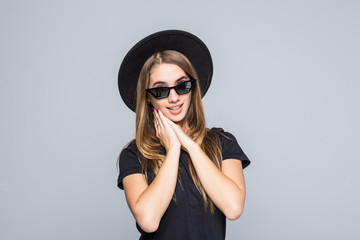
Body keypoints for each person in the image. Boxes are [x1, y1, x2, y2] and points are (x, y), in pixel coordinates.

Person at [117, 30, 250, 240]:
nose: (173, 98)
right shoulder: (134, 154)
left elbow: (233, 207)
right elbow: (149, 221)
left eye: (182, 86)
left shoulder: (223, 143)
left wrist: (190, 145)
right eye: (161, 90)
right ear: (149, 98)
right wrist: (173, 150)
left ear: (192, 88)